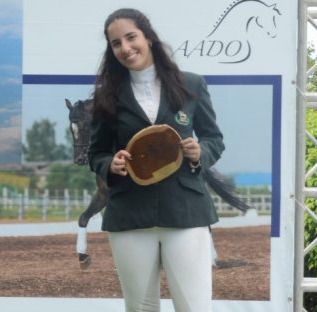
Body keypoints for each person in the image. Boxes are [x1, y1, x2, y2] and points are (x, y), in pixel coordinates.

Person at [88, 8, 225, 312]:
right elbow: (95, 153)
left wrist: (200, 152)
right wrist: (110, 163)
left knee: (195, 307)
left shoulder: (191, 84)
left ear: (148, 37)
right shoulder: (106, 96)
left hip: (186, 211)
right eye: (116, 43)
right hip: (129, 214)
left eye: (131, 37)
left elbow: (214, 138)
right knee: (140, 308)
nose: (125, 47)